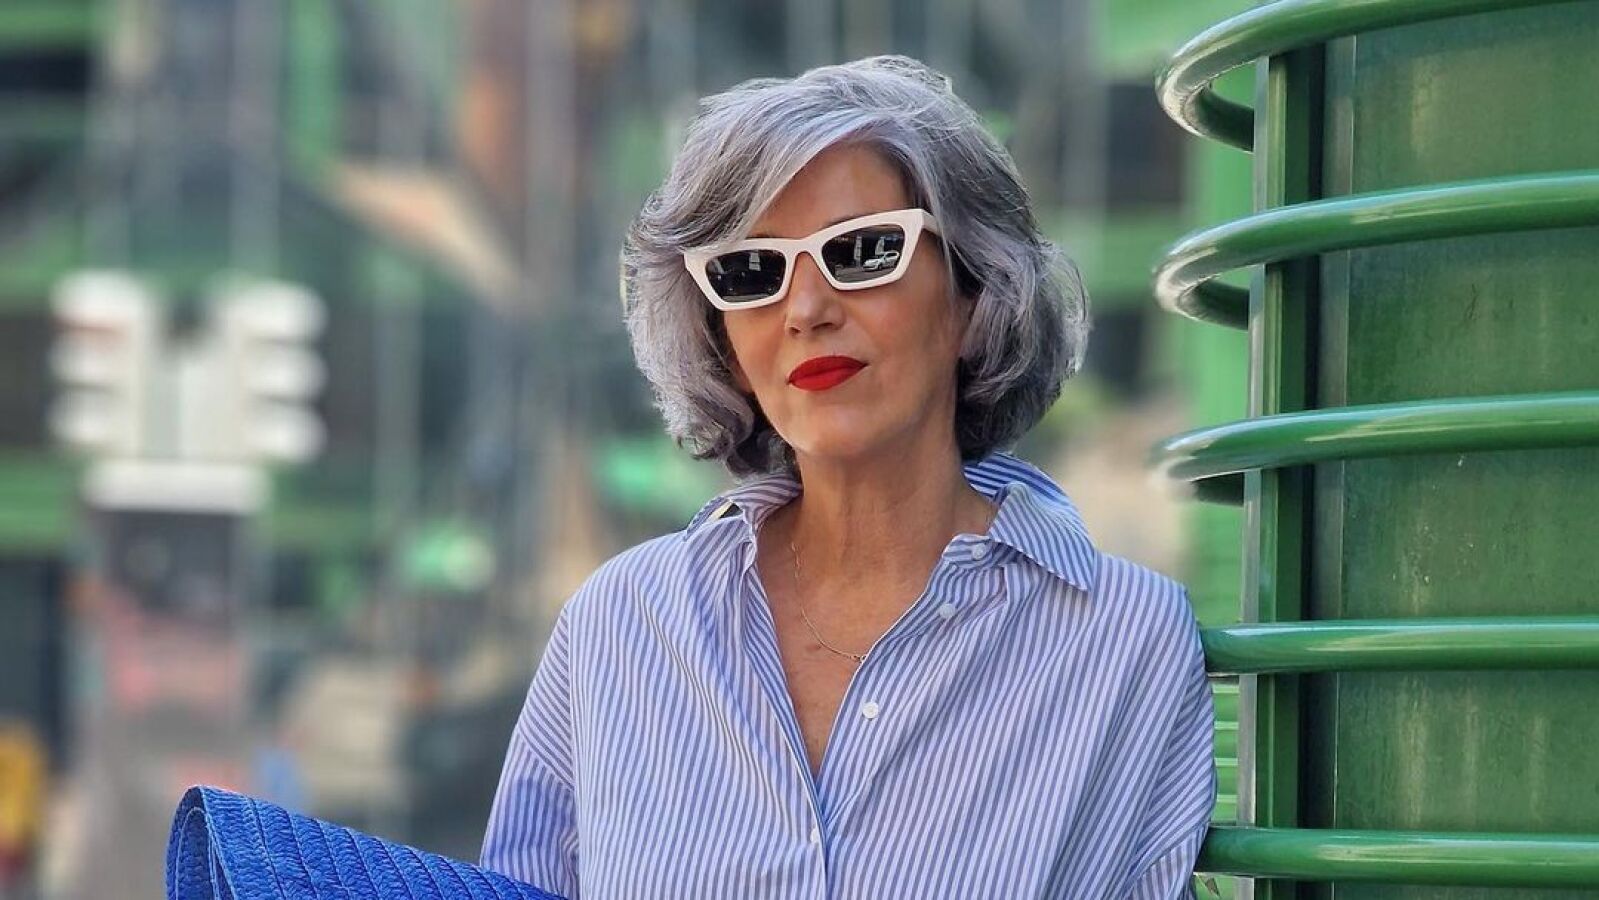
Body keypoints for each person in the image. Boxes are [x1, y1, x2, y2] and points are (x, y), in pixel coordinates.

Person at [480, 55, 1214, 899]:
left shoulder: (1128, 643)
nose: (805, 310)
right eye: (751, 271)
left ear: (973, 298)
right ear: (723, 339)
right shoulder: (621, 624)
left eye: (862, 252)